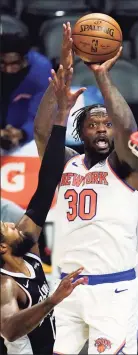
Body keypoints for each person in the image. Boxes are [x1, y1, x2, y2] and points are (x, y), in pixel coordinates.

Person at [34, 22, 138, 354]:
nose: (101, 129)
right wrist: (63, 73)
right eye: (92, 125)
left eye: (106, 124)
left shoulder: (126, 167)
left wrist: (101, 75)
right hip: (67, 288)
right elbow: (42, 133)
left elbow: (128, 128)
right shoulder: (67, 163)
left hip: (113, 292)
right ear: (81, 134)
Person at [0, 92, 87, 355]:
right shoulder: (5, 285)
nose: (13, 224)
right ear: (2, 248)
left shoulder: (28, 253)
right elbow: (9, 329)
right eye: (7, 228)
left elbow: (47, 184)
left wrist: (62, 115)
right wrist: (53, 300)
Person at [0, 32, 52, 150]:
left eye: (14, 63)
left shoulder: (41, 70)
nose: (8, 69)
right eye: (2, 63)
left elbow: (43, 111)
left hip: (27, 128)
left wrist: (23, 133)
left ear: (24, 58)